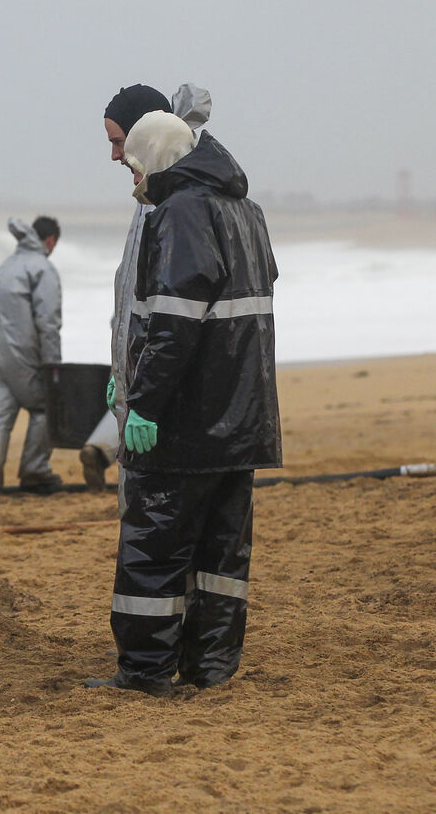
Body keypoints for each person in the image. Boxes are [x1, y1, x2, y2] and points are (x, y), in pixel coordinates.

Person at [86, 110, 280, 695]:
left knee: (154, 548)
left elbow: (174, 324)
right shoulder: (247, 211)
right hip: (243, 421)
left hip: (184, 424)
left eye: (134, 161)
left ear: (156, 158)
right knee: (221, 555)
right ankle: (211, 667)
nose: (131, 173)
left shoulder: (180, 212)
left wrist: (144, 402)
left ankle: (145, 671)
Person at [80, 84, 212, 489]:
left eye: (118, 142)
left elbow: (175, 310)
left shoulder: (176, 205)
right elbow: (133, 296)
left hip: (165, 393)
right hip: (144, 380)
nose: (115, 155)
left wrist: (145, 392)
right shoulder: (149, 200)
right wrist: (120, 369)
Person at [0, 216, 63, 495]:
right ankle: (34, 470)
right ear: (51, 241)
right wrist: (53, 365)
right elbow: (48, 322)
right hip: (25, 357)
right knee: (47, 405)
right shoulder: (43, 269)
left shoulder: (7, 266)